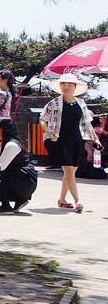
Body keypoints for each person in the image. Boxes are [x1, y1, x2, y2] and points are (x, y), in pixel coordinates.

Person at [40, 73, 100, 213]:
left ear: (75, 86)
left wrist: (95, 139)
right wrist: (48, 130)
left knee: (71, 172)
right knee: (68, 170)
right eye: (63, 84)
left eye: (69, 84)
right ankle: (77, 200)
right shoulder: (54, 102)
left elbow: (87, 124)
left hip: (77, 140)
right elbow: (42, 119)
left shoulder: (81, 103)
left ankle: (62, 199)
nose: (66, 86)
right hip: (61, 139)